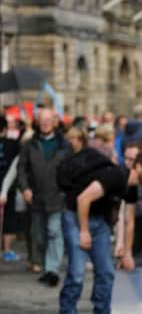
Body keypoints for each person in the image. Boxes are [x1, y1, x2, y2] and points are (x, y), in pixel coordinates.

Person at [57, 146, 142, 314]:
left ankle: (102, 310)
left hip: (99, 222)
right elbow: (83, 199)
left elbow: (129, 221)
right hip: (76, 217)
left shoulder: (132, 188)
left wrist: (127, 252)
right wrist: (84, 231)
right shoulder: (116, 176)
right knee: (77, 274)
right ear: (139, 167)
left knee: (106, 273)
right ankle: (67, 310)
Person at [17, 108, 71, 284]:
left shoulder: (64, 145)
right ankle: (42, 261)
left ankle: (51, 269)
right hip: (36, 197)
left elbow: (72, 169)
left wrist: (67, 190)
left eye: (49, 119)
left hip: (57, 196)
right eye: (42, 119)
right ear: (37, 122)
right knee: (39, 235)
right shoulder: (29, 145)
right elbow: (21, 169)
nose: (46, 122)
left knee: (54, 231)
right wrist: (24, 188)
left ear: (55, 121)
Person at [0, 115, 22, 261]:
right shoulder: (14, 144)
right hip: (9, 187)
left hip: (8, 187)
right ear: (5, 129)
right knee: (8, 219)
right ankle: (7, 250)